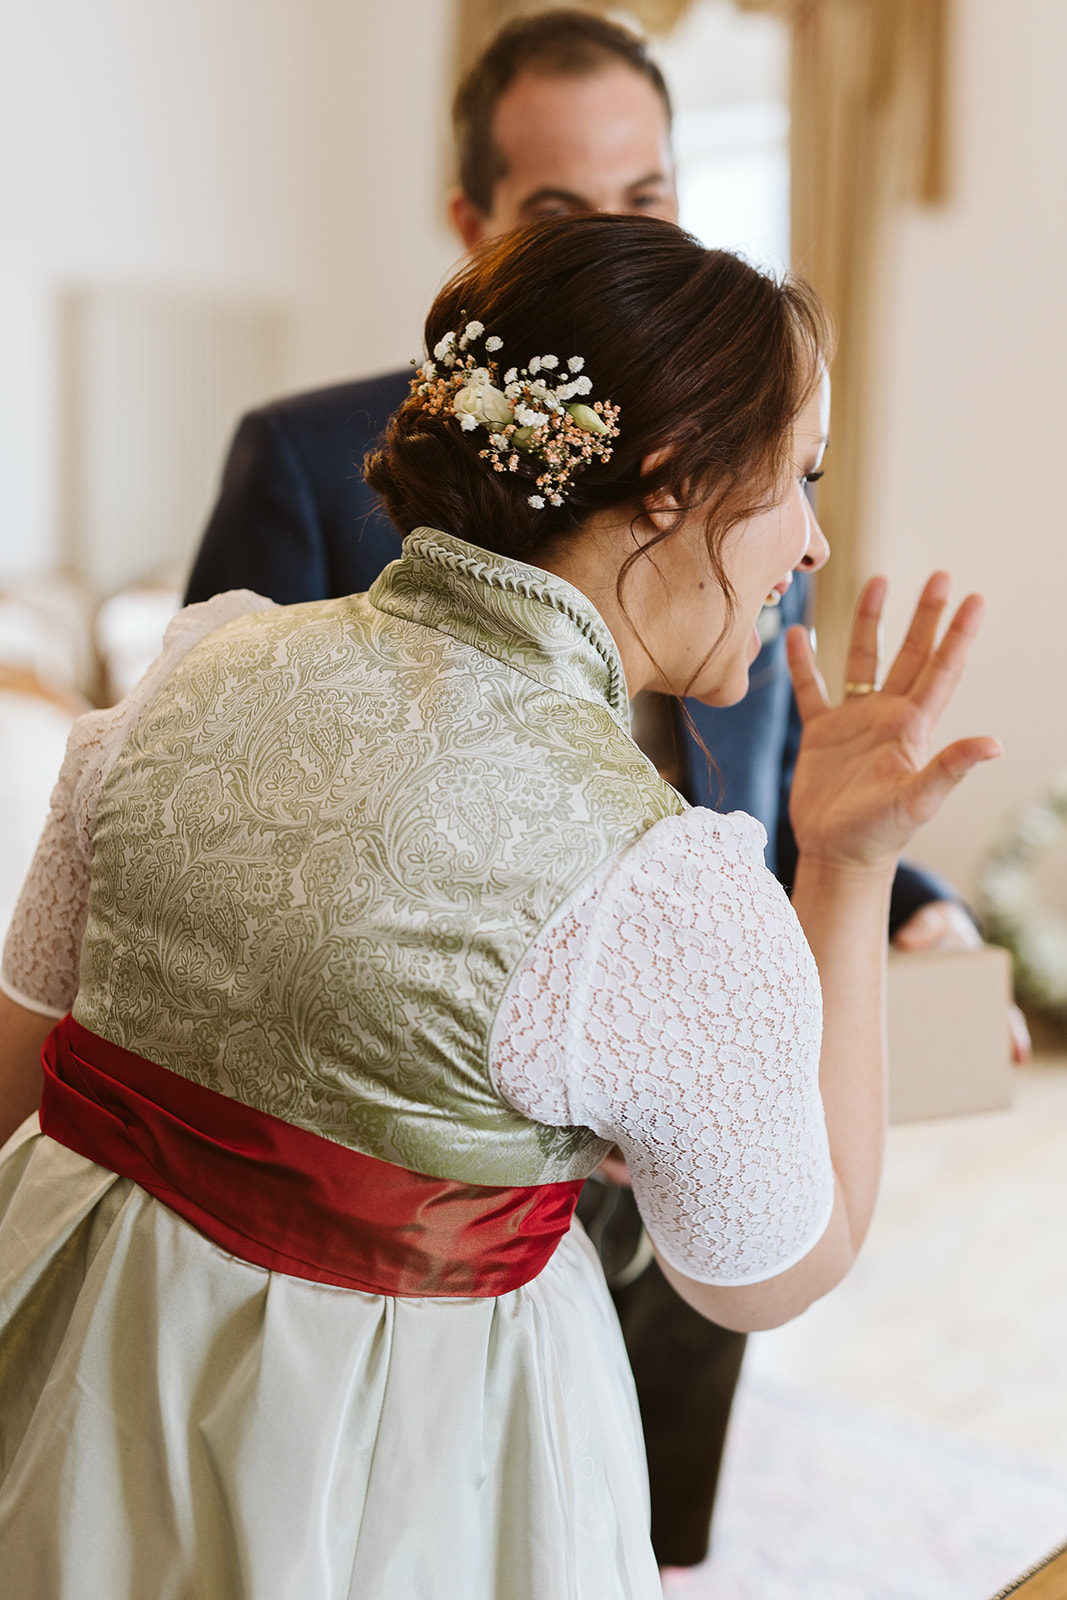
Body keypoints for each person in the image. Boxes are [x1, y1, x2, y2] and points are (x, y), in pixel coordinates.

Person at [0, 215, 998, 1598]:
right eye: (798, 481)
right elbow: (774, 1273)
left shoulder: (190, 670)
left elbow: (21, 1088)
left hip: (75, 1390)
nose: (815, 543)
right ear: (668, 486)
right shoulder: (653, 887)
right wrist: (848, 859)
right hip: (384, 1477)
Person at [181, 10, 1021, 1569]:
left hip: (696, 1122)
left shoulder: (736, 540)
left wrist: (894, 888)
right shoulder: (299, 494)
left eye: (649, 201)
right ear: (475, 232)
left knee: (633, 1520)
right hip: (370, 1248)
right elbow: (230, 859)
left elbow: (760, 809)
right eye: (570, 218)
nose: (811, 543)